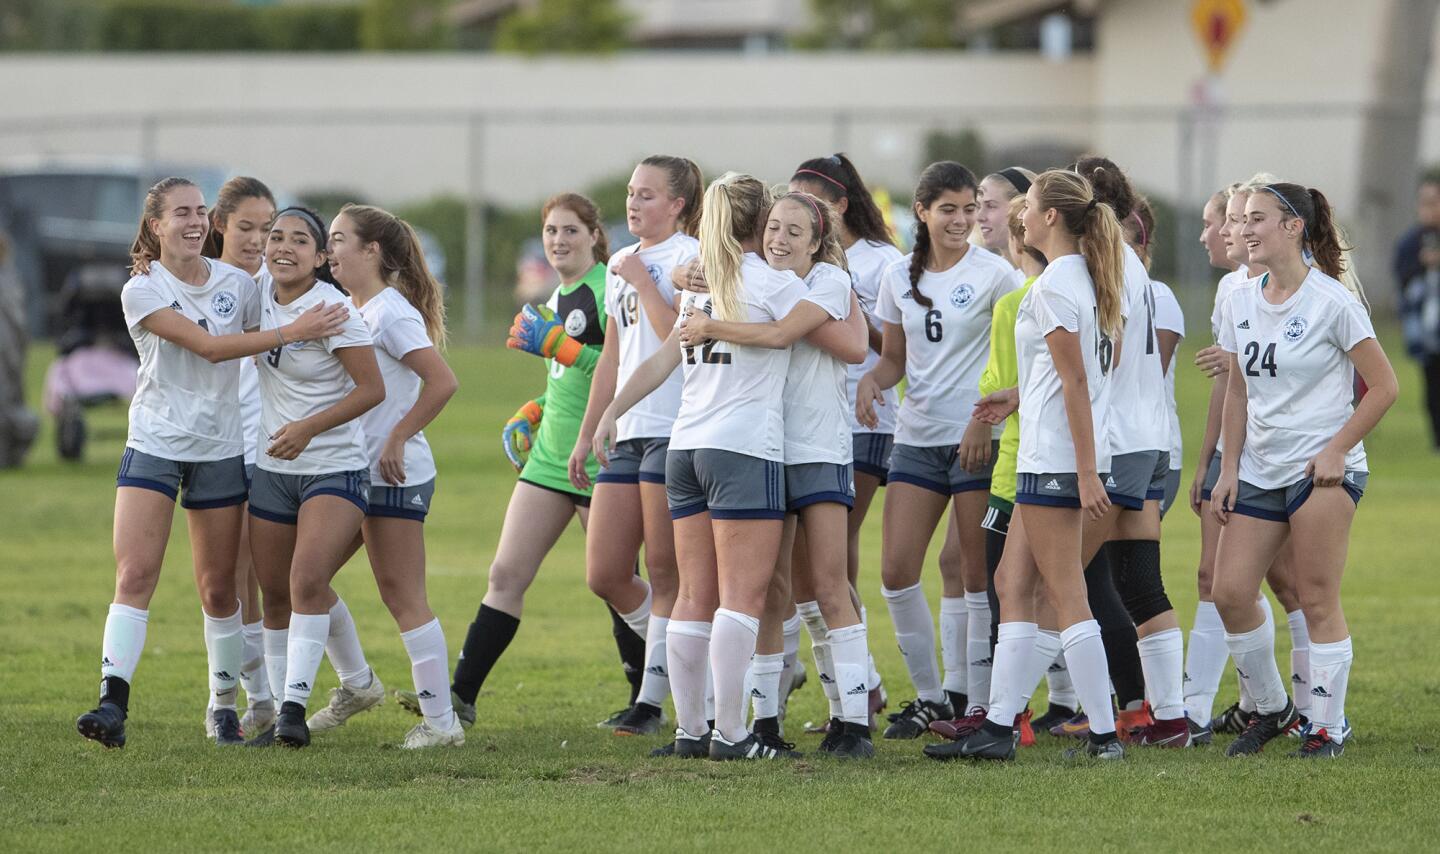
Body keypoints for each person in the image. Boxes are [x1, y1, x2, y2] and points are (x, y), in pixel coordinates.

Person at [76, 180, 346, 750]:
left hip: (221, 450)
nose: (196, 221)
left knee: (220, 590)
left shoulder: (237, 284)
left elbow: (283, 306)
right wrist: (293, 331)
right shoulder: (142, 290)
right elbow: (211, 347)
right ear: (156, 225)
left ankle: (224, 706)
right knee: (135, 575)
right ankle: (112, 701)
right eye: (183, 213)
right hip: (154, 442)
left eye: (201, 212)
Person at [594, 173, 813, 760]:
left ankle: (691, 731)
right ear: (761, 220)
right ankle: (732, 733)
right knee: (741, 595)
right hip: (742, 449)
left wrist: (614, 408)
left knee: (693, 595)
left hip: (683, 447)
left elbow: (664, 358)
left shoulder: (699, 286)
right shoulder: (773, 281)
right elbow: (822, 331)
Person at [927, 168, 1129, 762]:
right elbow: (1066, 375)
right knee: (1010, 585)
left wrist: (1087, 471)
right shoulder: (1080, 279)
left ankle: (1103, 733)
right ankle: (998, 727)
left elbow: (1076, 385)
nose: (1021, 215)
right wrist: (1016, 398)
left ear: (1051, 219)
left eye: (1031, 205)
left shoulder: (1055, 285)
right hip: (1051, 458)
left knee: (1066, 596)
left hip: (1056, 462)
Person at [677, 191, 870, 757]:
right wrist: (687, 277)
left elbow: (803, 338)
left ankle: (852, 721)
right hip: (765, 452)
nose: (779, 240)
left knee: (831, 585)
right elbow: (685, 273)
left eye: (793, 232)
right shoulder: (753, 278)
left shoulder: (828, 283)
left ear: (817, 242)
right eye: (773, 229)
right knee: (770, 592)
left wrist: (714, 325)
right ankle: (765, 721)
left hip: (819, 449)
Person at [1209, 182, 1397, 758]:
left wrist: (1337, 449)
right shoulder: (1240, 297)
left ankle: (1327, 726)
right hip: (1260, 469)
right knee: (1230, 592)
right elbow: (1238, 393)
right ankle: (1271, 708)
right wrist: (1228, 467)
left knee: (1317, 598)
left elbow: (1384, 388)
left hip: (1322, 472)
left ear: (1293, 228)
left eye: (1256, 219)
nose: (1241, 230)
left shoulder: (1332, 301)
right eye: (1239, 221)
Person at [854, 161, 1017, 738]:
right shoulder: (898, 276)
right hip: (916, 441)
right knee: (896, 572)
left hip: (977, 440)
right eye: (949, 209)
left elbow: (1023, 361)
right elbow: (895, 358)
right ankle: (931, 698)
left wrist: (985, 419)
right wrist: (875, 379)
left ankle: (975, 702)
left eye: (970, 209)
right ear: (921, 211)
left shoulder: (998, 275)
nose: (962, 220)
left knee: (975, 575)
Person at [435, 194, 609, 729]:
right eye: (551, 231)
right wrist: (535, 408)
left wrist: (562, 348)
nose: (559, 240)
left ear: (594, 236)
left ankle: (646, 703)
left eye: (571, 231)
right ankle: (458, 700)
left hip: (602, 457)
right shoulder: (558, 295)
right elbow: (568, 377)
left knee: (616, 582)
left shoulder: (610, 291)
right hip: (551, 457)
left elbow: (622, 373)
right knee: (505, 573)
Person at [244, 206, 385, 749]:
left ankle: (295, 712)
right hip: (273, 468)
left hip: (334, 467)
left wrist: (307, 428)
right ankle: (282, 710)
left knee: (307, 582)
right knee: (275, 594)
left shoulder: (333, 310)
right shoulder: (256, 295)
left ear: (321, 256)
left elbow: (371, 390)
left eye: (299, 241)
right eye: (275, 237)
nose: (283, 247)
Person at [571, 156, 702, 736]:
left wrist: (643, 280)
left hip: (675, 428)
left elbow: (676, 333)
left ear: (677, 205)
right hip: (627, 432)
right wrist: (591, 426)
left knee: (667, 572)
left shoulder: (688, 258)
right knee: (604, 572)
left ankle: (650, 702)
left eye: (647, 195)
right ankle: (689, 659)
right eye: (630, 193)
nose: (633, 204)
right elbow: (616, 359)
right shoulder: (625, 262)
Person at [327, 204, 464, 748]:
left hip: (393, 474)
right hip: (351, 472)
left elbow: (443, 382)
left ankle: (441, 725)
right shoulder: (350, 309)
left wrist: (398, 435)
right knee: (301, 581)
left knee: (402, 595)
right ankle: (355, 684)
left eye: (339, 240)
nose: (330, 250)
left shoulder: (390, 313)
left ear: (372, 252)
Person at [788, 153, 902, 722]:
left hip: (866, 423)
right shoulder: (797, 255)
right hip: (811, 423)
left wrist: (845, 315)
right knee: (808, 569)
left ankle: (855, 695)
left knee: (828, 568)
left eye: (809, 204)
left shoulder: (879, 262)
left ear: (838, 205)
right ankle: (856, 686)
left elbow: (893, 349)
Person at [196, 176, 278, 739]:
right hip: (211, 445)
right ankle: (236, 699)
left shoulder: (283, 282)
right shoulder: (191, 281)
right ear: (219, 223)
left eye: (266, 230)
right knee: (221, 584)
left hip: (271, 448)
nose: (257, 240)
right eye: (245, 227)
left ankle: (250, 701)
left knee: (264, 578)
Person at [1395, 166, 1440, 449]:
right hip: (1425, 328)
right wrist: (1422, 265)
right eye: (1425, 203)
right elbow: (1401, 276)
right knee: (1432, 382)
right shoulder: (1411, 242)